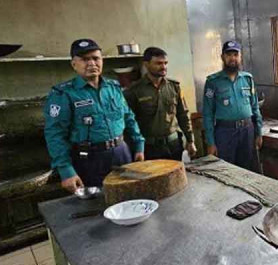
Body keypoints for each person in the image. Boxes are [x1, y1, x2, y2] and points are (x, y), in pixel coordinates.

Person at [43, 39, 145, 193]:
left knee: (131, 195)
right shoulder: (64, 94)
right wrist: (66, 170)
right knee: (98, 202)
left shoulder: (113, 87)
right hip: (89, 159)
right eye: (85, 59)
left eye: (96, 58)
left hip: (121, 153)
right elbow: (55, 134)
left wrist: (139, 145)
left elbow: (129, 117)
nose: (92, 63)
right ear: (74, 64)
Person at [124, 47, 197, 161]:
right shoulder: (134, 91)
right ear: (146, 64)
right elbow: (129, 123)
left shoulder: (174, 87)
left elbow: (183, 115)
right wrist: (136, 149)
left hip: (174, 145)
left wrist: (190, 140)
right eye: (158, 63)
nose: (163, 67)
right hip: (149, 148)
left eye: (165, 63)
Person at [202, 41, 263, 172]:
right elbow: (207, 113)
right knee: (226, 170)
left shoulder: (247, 79)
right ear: (222, 57)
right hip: (225, 133)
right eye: (229, 55)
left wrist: (258, 132)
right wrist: (210, 142)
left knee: (248, 171)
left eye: (235, 55)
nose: (232, 58)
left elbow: (255, 107)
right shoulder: (213, 82)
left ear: (240, 57)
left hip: (247, 131)